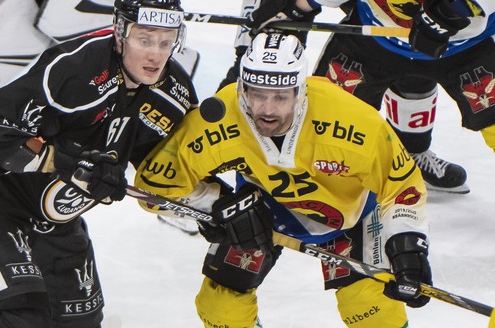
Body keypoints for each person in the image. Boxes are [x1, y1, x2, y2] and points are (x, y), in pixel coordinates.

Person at [135, 32, 432, 328]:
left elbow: (402, 185)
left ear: (299, 92)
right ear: (242, 88)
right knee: (220, 309)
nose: (266, 109)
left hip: (351, 215)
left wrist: (407, 245)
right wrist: (220, 205)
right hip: (262, 215)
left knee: (373, 310)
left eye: (280, 96)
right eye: (257, 94)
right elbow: (154, 184)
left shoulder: (354, 121)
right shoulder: (220, 116)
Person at [0, 0, 198, 327]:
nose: (156, 54)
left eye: (166, 40)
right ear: (120, 32)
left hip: (55, 222)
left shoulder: (174, 95)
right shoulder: (76, 69)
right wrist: (59, 159)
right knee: (24, 316)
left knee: (81, 323)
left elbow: (167, 169)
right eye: (145, 39)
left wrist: (217, 204)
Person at [311, 0, 495, 193]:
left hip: (467, 47)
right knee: (329, 116)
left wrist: (454, 10)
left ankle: (409, 156)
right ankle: (321, 192)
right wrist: (294, 10)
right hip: (374, 35)